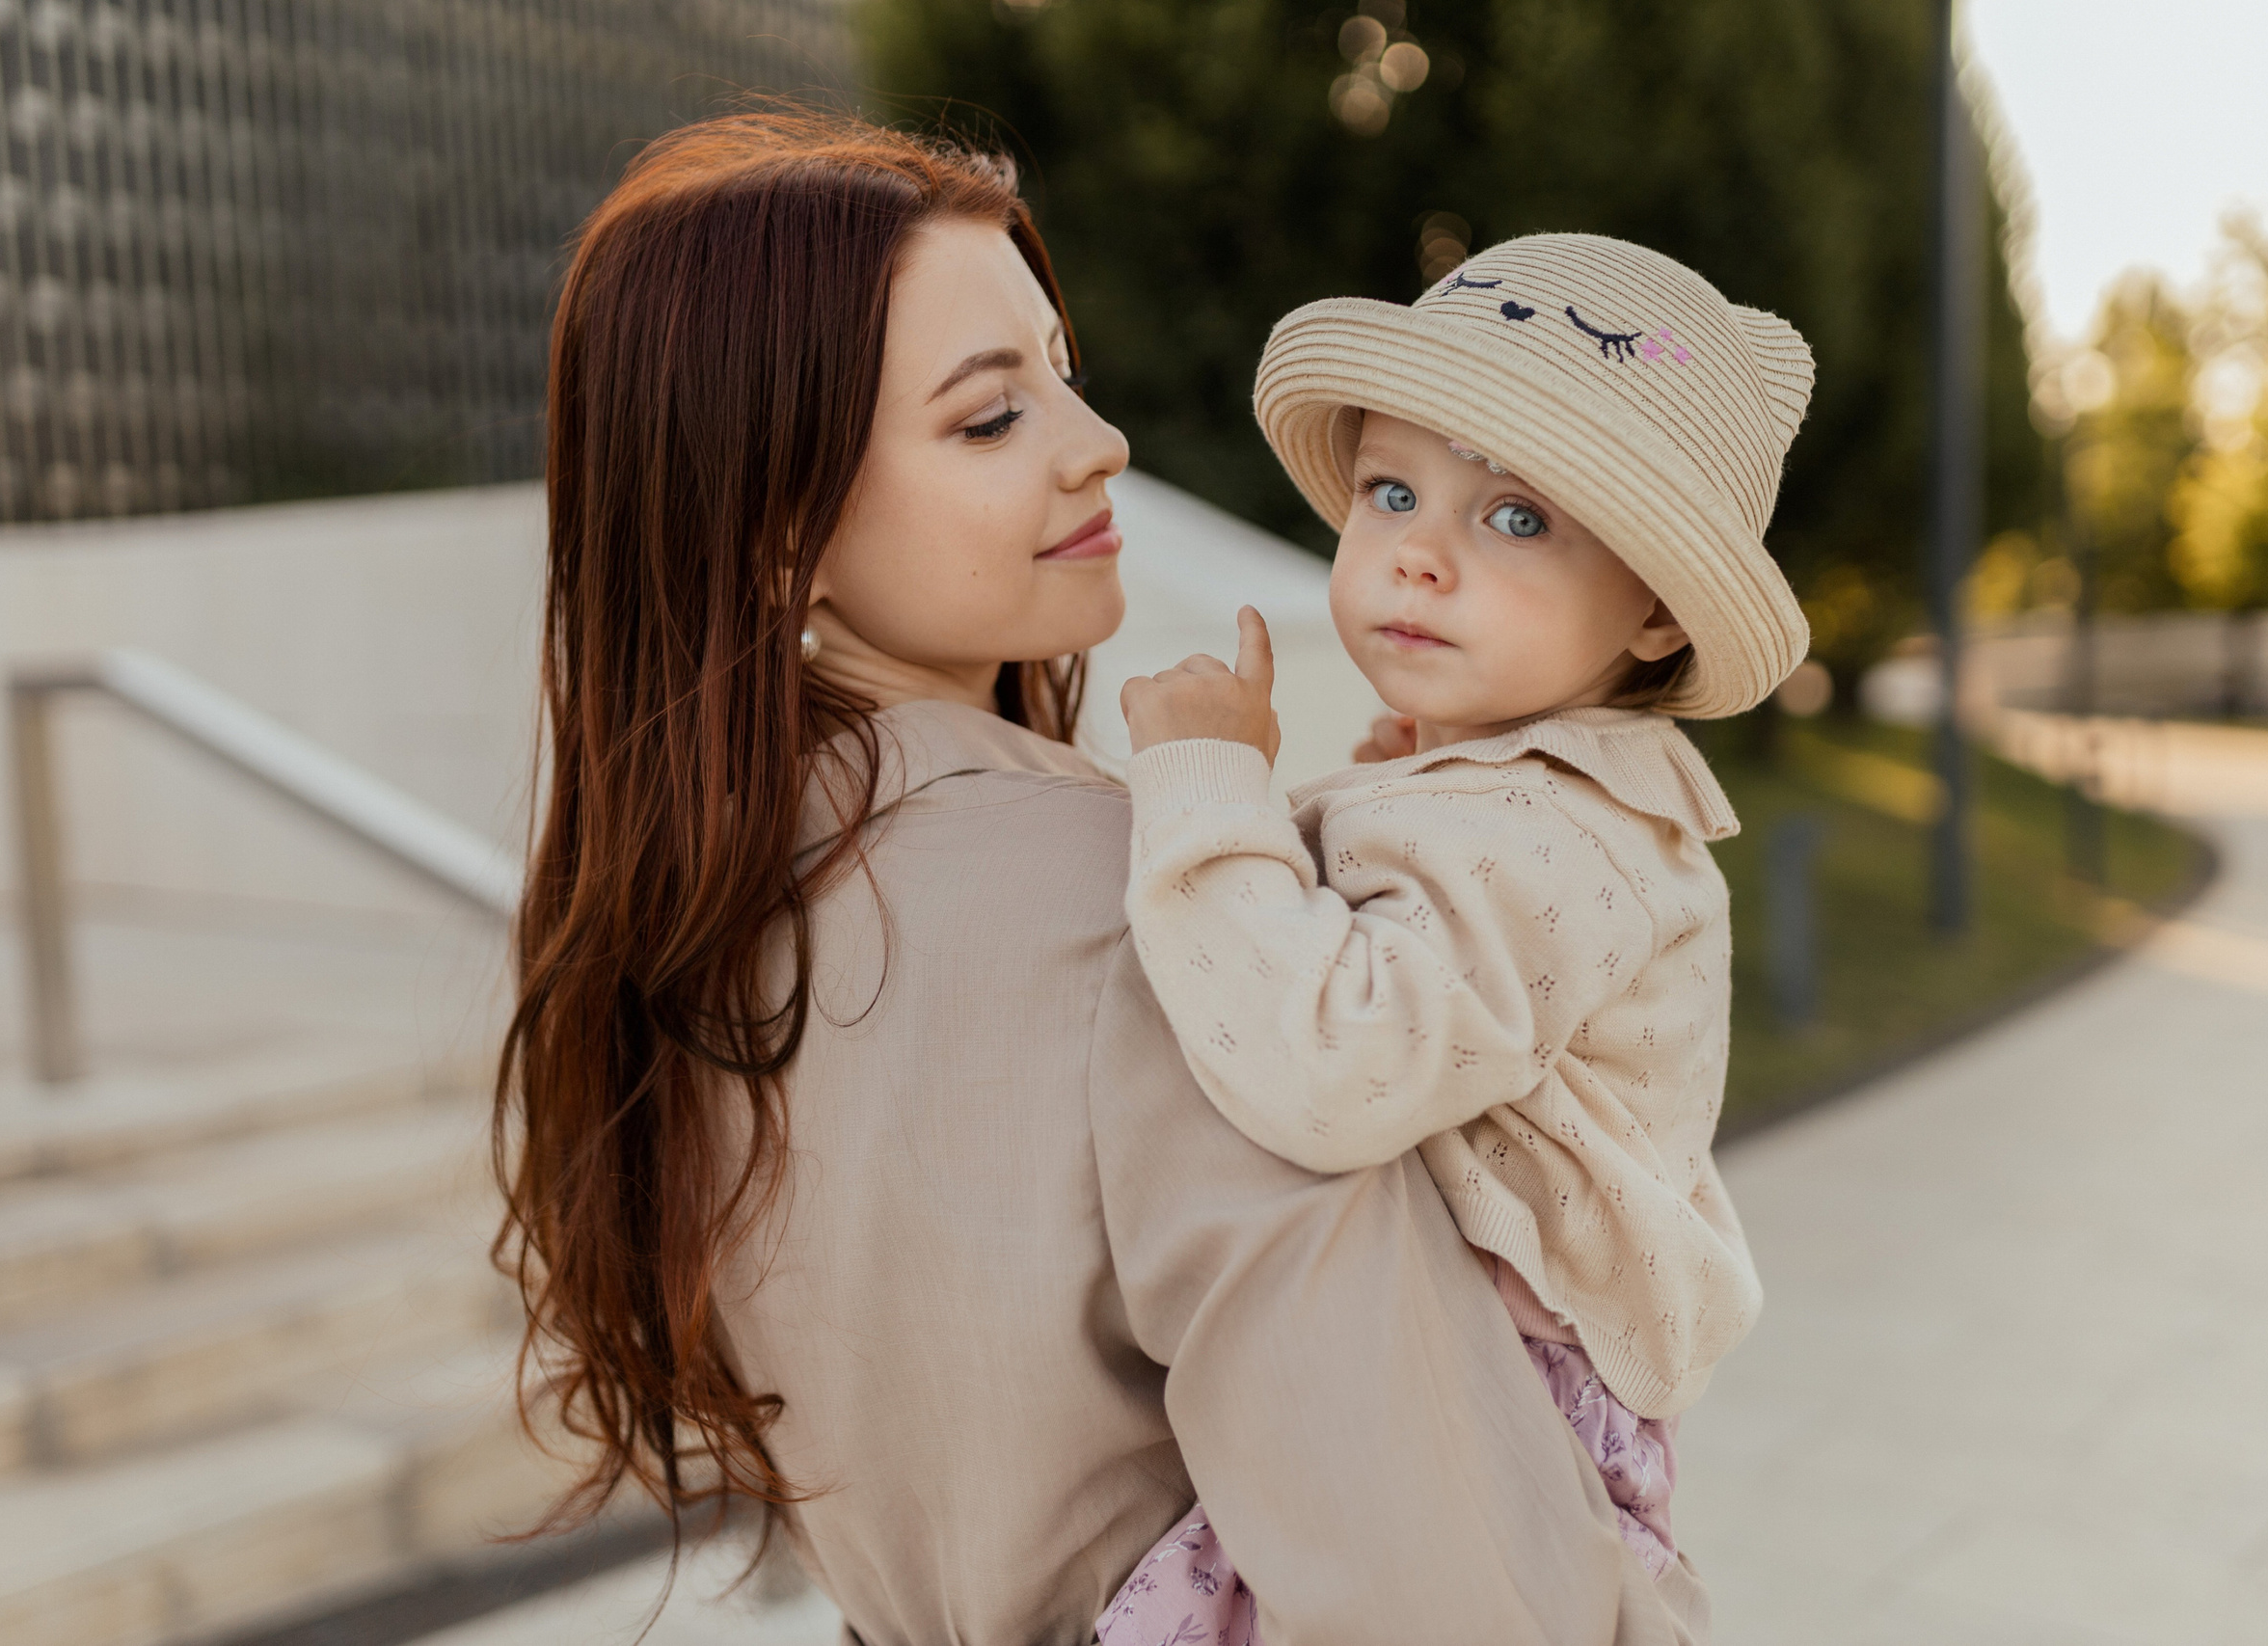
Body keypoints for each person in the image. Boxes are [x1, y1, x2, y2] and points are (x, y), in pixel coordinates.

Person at [494, 115, 1706, 1645]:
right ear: (771, 526)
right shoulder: (1158, 913)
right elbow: (1451, 1595)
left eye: (1060, 367)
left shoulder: (687, 948)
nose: (1099, 440)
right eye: (992, 416)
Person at [1101, 234, 1816, 1641]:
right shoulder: (1526, 803)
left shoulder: (1548, 837)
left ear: (1662, 610)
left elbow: (1331, 1066)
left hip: (1487, 1405)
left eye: (1518, 520)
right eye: (1392, 491)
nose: (1419, 556)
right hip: (1443, 1356)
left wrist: (1208, 785)